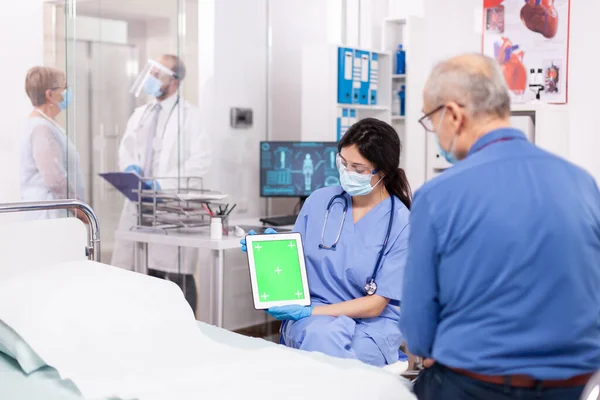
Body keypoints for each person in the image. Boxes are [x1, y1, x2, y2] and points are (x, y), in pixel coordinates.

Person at [400, 53, 600, 399]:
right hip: (574, 386)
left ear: (453, 114)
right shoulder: (582, 183)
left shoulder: (438, 195)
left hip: (475, 384)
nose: (434, 132)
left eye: (431, 120)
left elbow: (418, 332)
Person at [242, 118, 412, 367]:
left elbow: (376, 305)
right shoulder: (320, 201)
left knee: (326, 350)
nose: (347, 173)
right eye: (342, 163)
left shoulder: (401, 222)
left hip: (370, 325)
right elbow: (295, 267)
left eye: (358, 168)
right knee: (323, 341)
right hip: (316, 316)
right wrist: (269, 253)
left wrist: (309, 313)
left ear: (383, 172)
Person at [111, 55, 212, 313]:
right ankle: (155, 329)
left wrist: (162, 184)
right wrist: (130, 167)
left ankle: (190, 330)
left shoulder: (191, 117)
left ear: (174, 81)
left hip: (171, 205)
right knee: (147, 271)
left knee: (178, 275)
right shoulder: (141, 114)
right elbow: (127, 149)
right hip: (140, 203)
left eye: (158, 74)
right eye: (151, 73)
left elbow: (201, 160)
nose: (151, 79)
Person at [20, 66, 85, 220]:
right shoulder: (40, 128)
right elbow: (55, 180)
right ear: (50, 94)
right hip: (48, 216)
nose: (67, 92)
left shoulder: (46, 124)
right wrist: (82, 213)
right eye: (64, 88)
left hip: (56, 213)